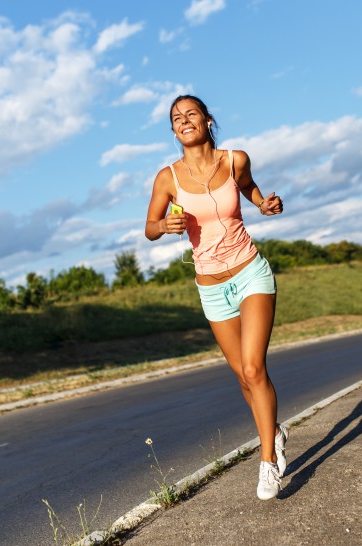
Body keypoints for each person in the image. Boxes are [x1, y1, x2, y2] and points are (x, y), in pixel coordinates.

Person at [145, 95, 288, 500]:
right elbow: (149, 227)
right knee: (243, 376)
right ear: (174, 131)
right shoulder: (167, 178)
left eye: (191, 114)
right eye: (176, 118)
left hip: (249, 273)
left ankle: (267, 463)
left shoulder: (234, 159)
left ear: (208, 121)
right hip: (210, 286)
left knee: (254, 367)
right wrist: (165, 225)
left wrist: (264, 204)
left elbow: (248, 188)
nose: (184, 120)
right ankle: (274, 431)